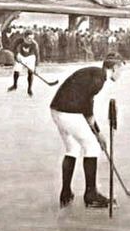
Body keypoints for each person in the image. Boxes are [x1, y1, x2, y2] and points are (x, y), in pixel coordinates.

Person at [49, 53, 125, 208]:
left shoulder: (95, 73)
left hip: (56, 110)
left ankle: (65, 193)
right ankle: (91, 196)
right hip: (68, 112)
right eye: (121, 70)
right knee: (92, 147)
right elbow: (86, 107)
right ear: (115, 67)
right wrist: (98, 133)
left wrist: (97, 132)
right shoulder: (98, 79)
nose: (121, 74)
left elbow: (84, 104)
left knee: (73, 148)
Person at [7, 30, 40, 97]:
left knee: (30, 72)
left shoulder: (34, 44)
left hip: (30, 57)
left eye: (32, 38)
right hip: (21, 55)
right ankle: (15, 85)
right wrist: (16, 56)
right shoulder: (18, 41)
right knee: (16, 70)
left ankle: (29, 89)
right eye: (28, 38)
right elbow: (13, 49)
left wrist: (35, 68)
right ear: (24, 38)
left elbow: (37, 56)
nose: (31, 40)